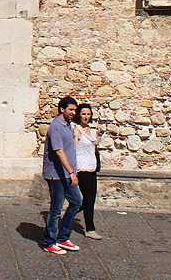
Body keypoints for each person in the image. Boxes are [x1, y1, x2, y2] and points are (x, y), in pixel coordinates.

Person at [42, 96, 82, 255]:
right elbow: (59, 151)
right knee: (56, 209)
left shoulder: (67, 126)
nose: (73, 113)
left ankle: (63, 237)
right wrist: (71, 172)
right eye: (71, 110)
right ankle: (49, 241)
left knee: (76, 202)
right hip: (56, 175)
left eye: (74, 110)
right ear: (62, 109)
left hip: (67, 173)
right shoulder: (56, 127)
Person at [74, 102, 105, 240]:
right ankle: (90, 229)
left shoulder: (90, 130)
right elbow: (74, 151)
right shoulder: (77, 130)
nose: (86, 117)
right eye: (84, 114)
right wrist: (73, 171)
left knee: (89, 198)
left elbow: (94, 144)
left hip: (92, 168)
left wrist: (100, 134)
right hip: (82, 169)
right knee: (89, 198)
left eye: (88, 114)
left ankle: (70, 212)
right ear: (79, 115)